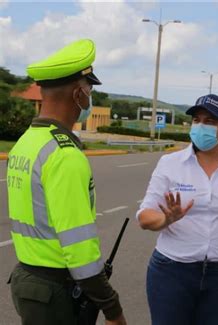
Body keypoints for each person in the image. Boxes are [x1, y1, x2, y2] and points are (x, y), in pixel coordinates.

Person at [7, 39, 126, 324]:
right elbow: (79, 248)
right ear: (79, 94)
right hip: (55, 290)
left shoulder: (26, 142)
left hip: (27, 280)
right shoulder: (65, 155)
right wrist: (112, 308)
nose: (90, 98)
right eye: (90, 90)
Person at [137, 94, 218, 325]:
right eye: (196, 120)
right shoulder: (170, 164)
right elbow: (145, 217)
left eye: (209, 122)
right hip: (171, 272)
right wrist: (166, 219)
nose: (200, 126)